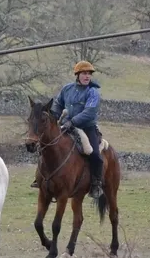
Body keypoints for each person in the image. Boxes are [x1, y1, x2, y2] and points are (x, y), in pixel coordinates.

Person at [43, 60, 105, 199]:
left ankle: (96, 184)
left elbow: (89, 112)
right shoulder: (67, 89)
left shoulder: (93, 92)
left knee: (95, 155)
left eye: (89, 74)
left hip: (87, 128)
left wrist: (73, 122)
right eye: (84, 73)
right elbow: (58, 104)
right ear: (77, 75)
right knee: (47, 145)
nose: (87, 76)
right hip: (66, 125)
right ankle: (41, 178)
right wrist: (54, 117)